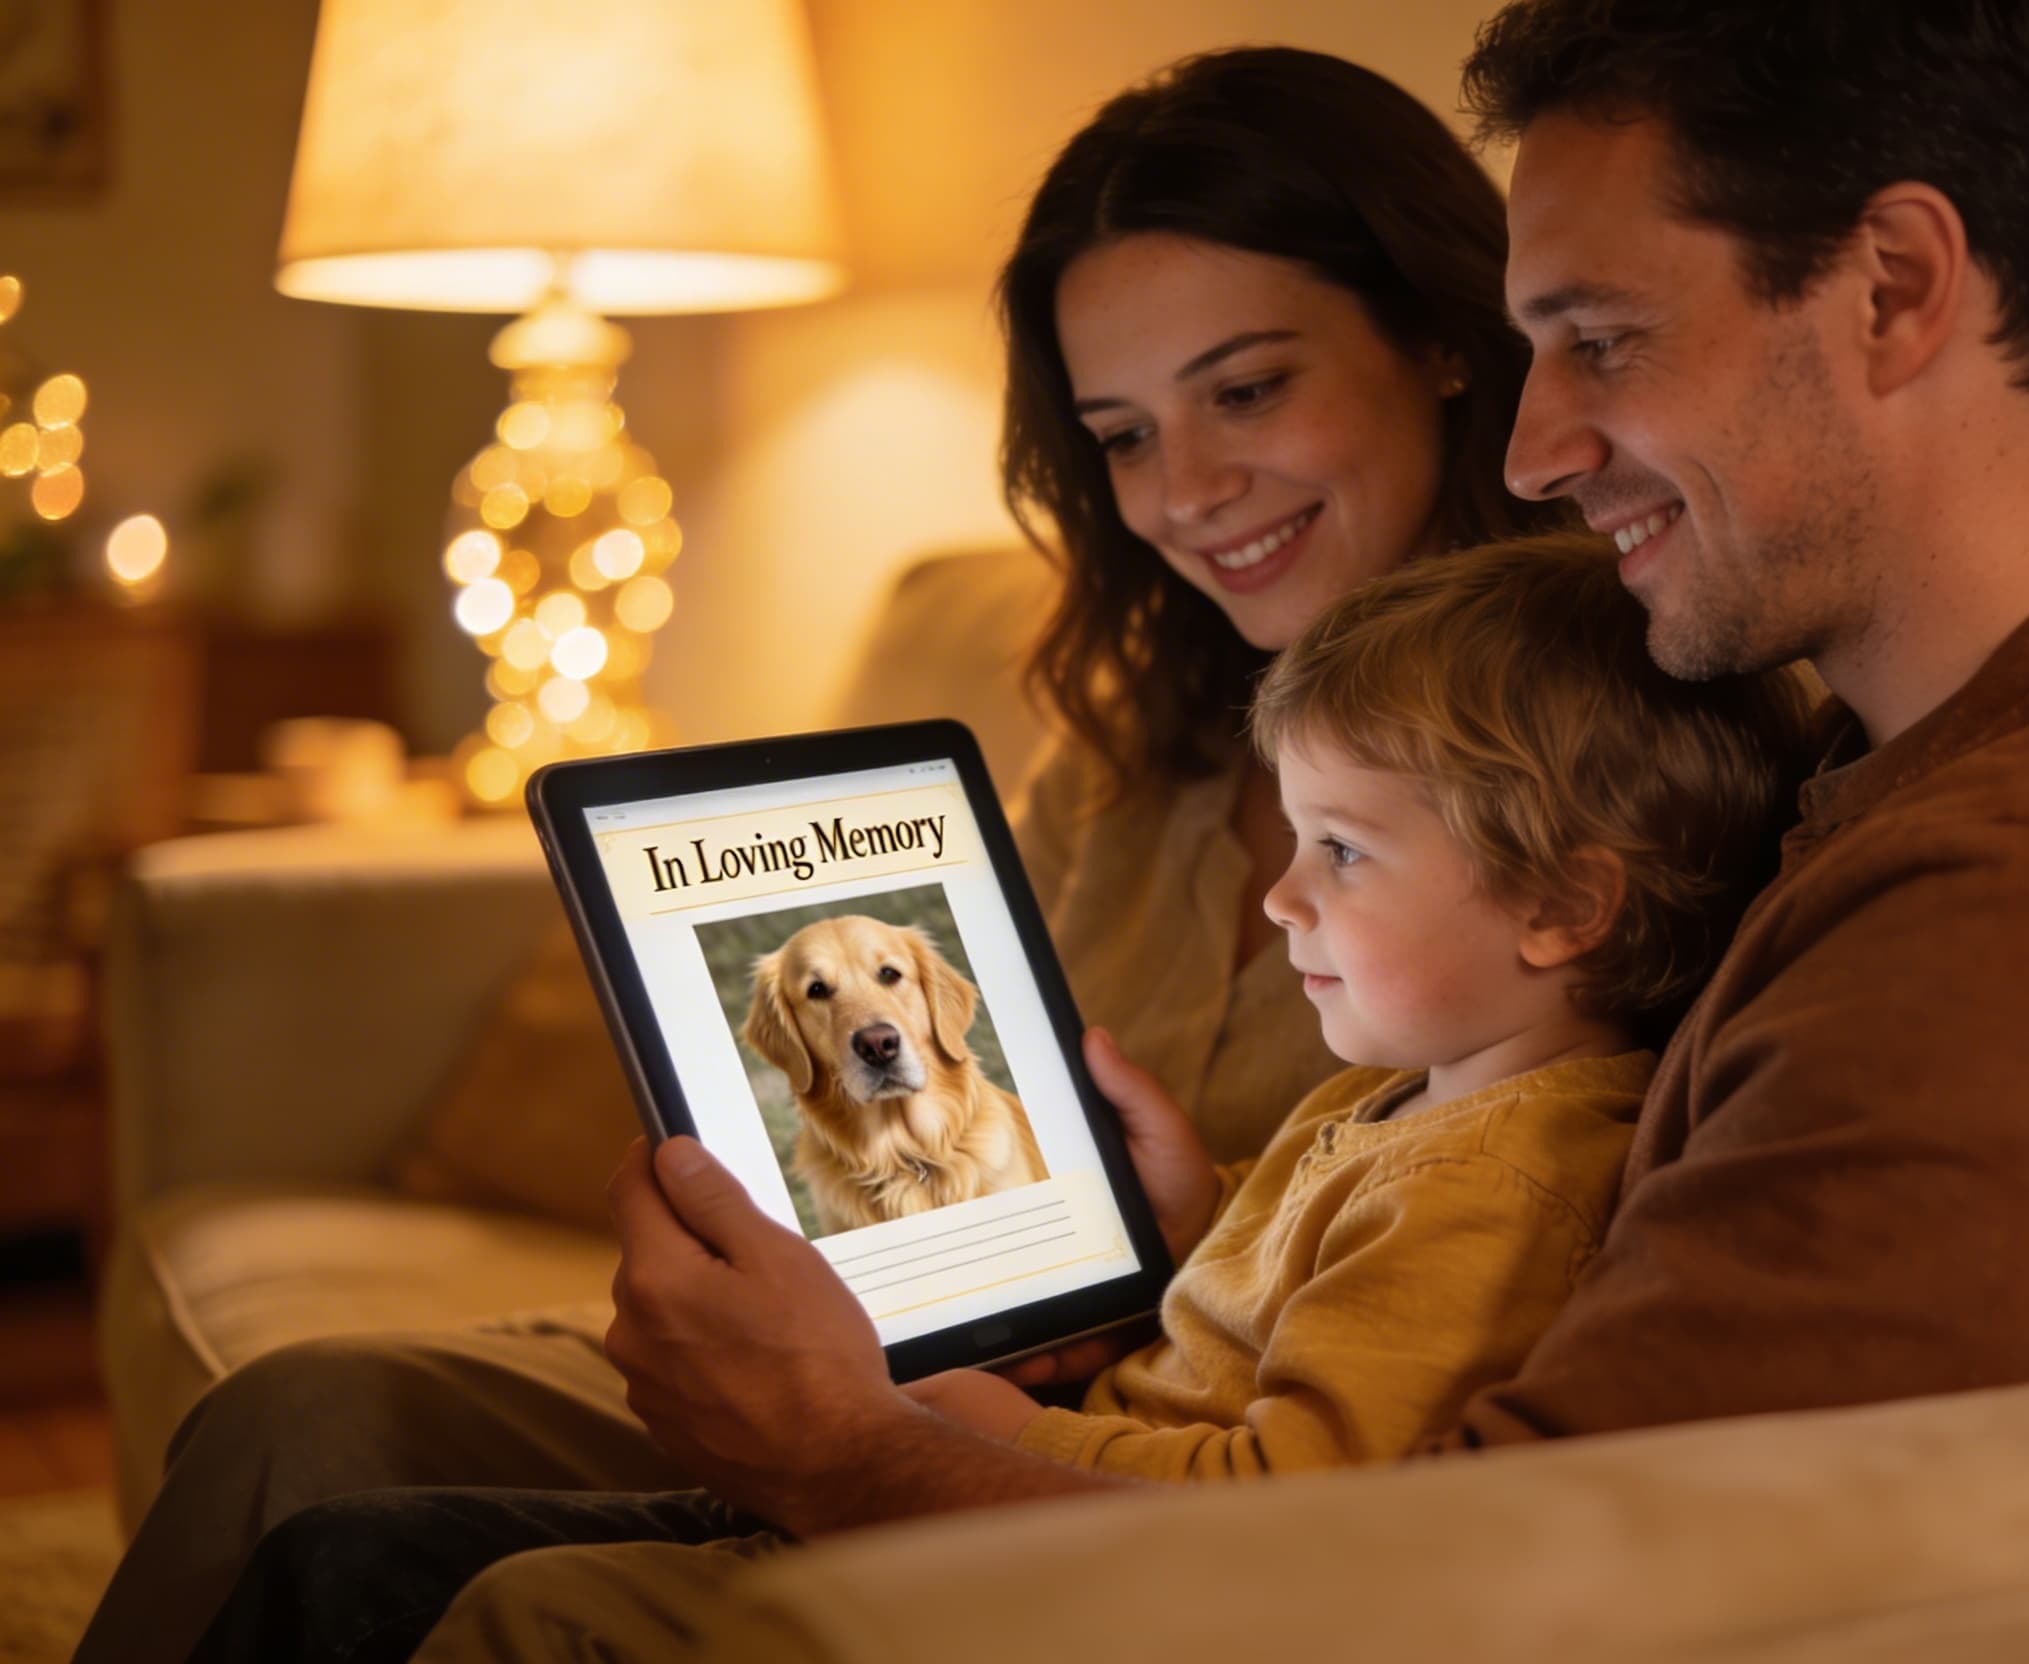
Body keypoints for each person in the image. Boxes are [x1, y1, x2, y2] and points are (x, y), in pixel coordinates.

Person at [358, 0, 2029, 1655]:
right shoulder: (1907, 755)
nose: (1536, 441)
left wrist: (849, 1453)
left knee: (514, 1604)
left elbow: (1525, 1580)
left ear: (1897, 285)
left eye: (1600, 340)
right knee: (353, 1524)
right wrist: (1193, 1261)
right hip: (1194, 1481)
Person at [75, 45, 1554, 1664]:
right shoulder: (1130, 746)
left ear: (1439, 339)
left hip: (1122, 1447)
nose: (1185, 494)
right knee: (305, 1413)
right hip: (958, 1343)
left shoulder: (1597, 764)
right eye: (1121, 433)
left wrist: (1073, 1322)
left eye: (1249, 389)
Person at [183, 540, 1814, 1659]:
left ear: (1566, 908)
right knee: (349, 1554)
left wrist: (971, 1429)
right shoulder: (1400, 1104)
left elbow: (1306, 1507)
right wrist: (1191, 1217)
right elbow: (1292, 1322)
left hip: (1033, 1548)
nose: (1281, 899)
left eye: (1345, 852)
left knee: (506, 1613)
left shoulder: (1505, 1178)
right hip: (1012, 1480)